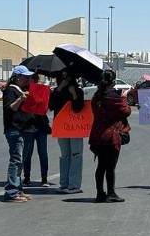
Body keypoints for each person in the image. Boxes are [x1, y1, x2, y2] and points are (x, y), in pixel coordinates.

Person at [89, 69, 131, 202]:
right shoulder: (114, 97)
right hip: (111, 136)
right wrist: (124, 98)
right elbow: (126, 111)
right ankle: (111, 193)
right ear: (113, 82)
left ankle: (100, 193)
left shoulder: (97, 96)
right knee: (110, 167)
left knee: (101, 166)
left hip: (97, 135)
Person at [2, 65, 35, 202]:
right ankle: (11, 192)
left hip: (23, 129)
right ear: (17, 77)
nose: (28, 79)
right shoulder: (10, 91)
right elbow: (10, 108)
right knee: (16, 160)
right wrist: (20, 99)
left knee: (20, 161)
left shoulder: (22, 90)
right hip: (14, 129)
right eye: (25, 76)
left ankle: (18, 189)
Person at [50, 69, 85, 194]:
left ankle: (74, 185)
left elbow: (78, 108)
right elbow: (50, 106)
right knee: (65, 156)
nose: (65, 79)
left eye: (67, 77)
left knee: (76, 155)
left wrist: (74, 94)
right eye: (62, 77)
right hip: (62, 128)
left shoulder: (78, 91)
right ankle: (64, 183)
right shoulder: (57, 92)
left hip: (75, 128)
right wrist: (60, 88)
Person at [21, 69, 51, 186]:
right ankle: (26, 177)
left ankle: (44, 178)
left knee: (43, 153)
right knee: (27, 153)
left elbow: (46, 106)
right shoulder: (23, 91)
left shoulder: (43, 90)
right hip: (28, 126)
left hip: (41, 125)